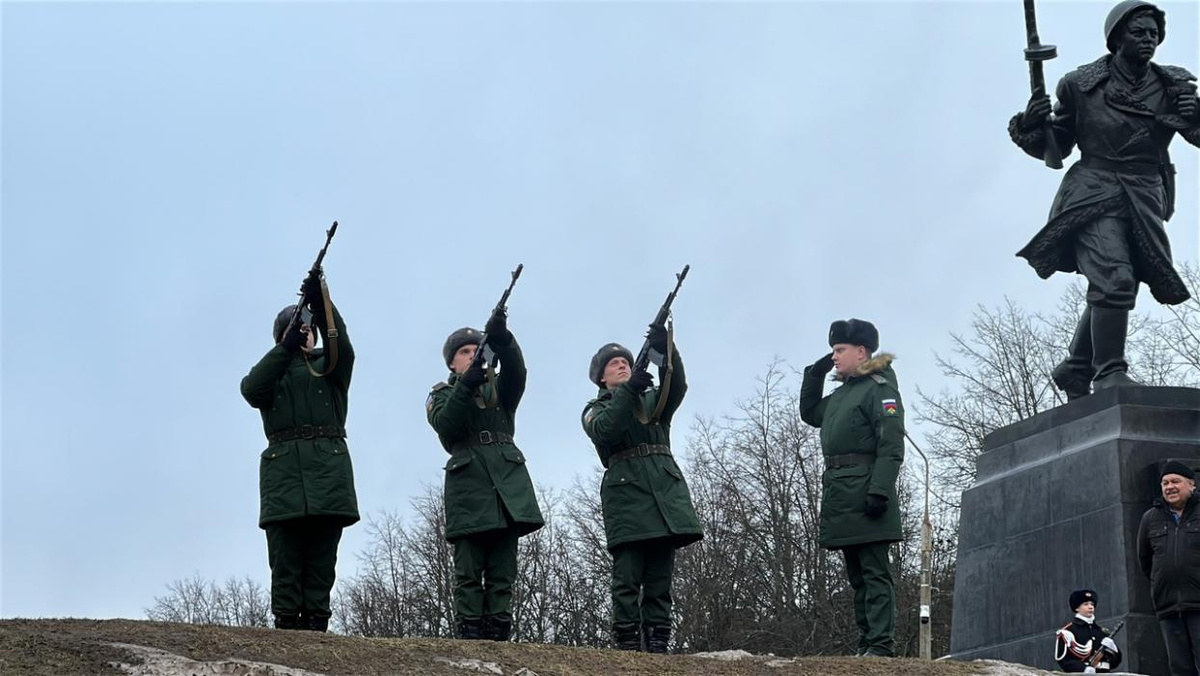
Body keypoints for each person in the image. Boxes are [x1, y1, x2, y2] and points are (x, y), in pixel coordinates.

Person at [1008, 0, 1200, 401]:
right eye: (1139, 32)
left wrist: (1195, 116)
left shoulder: (1173, 86)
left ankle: (1076, 367)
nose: (1148, 39)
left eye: (1153, 33)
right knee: (1115, 278)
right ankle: (1109, 372)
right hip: (1093, 189)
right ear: (1116, 38)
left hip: (1146, 194)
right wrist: (1032, 124)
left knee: (1119, 279)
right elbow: (1056, 147)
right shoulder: (1080, 85)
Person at [240, 269, 358, 632]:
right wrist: (284, 348)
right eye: (297, 330)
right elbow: (250, 389)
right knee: (286, 560)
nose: (305, 334)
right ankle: (288, 627)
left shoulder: (330, 367)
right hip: (285, 475)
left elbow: (345, 347)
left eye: (308, 329)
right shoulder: (271, 374)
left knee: (322, 559)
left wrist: (321, 302)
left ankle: (318, 627)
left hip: (328, 471)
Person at [581, 324, 703, 653]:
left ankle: (659, 640)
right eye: (613, 363)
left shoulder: (651, 400)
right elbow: (607, 430)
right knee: (628, 577)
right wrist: (628, 391)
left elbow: (676, 386)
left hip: (664, 492)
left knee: (661, 578)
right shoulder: (595, 409)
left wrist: (666, 349)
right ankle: (628, 642)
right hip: (627, 496)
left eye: (626, 361)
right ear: (601, 378)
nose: (622, 364)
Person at [427, 308, 544, 641]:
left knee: (502, 571)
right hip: (469, 488)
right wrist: (466, 386)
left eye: (476, 350)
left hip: (507, 486)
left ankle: (499, 631)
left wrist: (504, 340)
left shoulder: (499, 393)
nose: (471, 355)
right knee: (468, 570)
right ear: (452, 363)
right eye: (464, 352)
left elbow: (517, 373)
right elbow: (447, 426)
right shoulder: (441, 394)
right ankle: (470, 633)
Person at [799, 319, 904, 657]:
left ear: (862, 352)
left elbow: (891, 445)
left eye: (839, 350)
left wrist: (880, 490)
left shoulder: (880, 388)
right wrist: (812, 377)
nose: (834, 356)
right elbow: (811, 413)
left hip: (866, 490)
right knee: (857, 576)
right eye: (832, 350)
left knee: (874, 572)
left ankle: (880, 645)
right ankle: (865, 644)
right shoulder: (840, 395)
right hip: (840, 493)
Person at [1137, 460, 1200, 676]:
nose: (1169, 486)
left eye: (1175, 481)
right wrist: (1161, 584)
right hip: (1169, 607)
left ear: (1192, 485)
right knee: (1180, 668)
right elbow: (1145, 561)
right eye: (1164, 483)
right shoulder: (1150, 519)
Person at [1054, 589, 1123, 673]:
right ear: (1077, 608)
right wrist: (1083, 668)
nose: (1090, 607)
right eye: (1085, 604)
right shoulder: (1068, 631)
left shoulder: (1102, 632)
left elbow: (1115, 662)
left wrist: (1114, 650)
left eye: (1092, 604)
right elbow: (1064, 660)